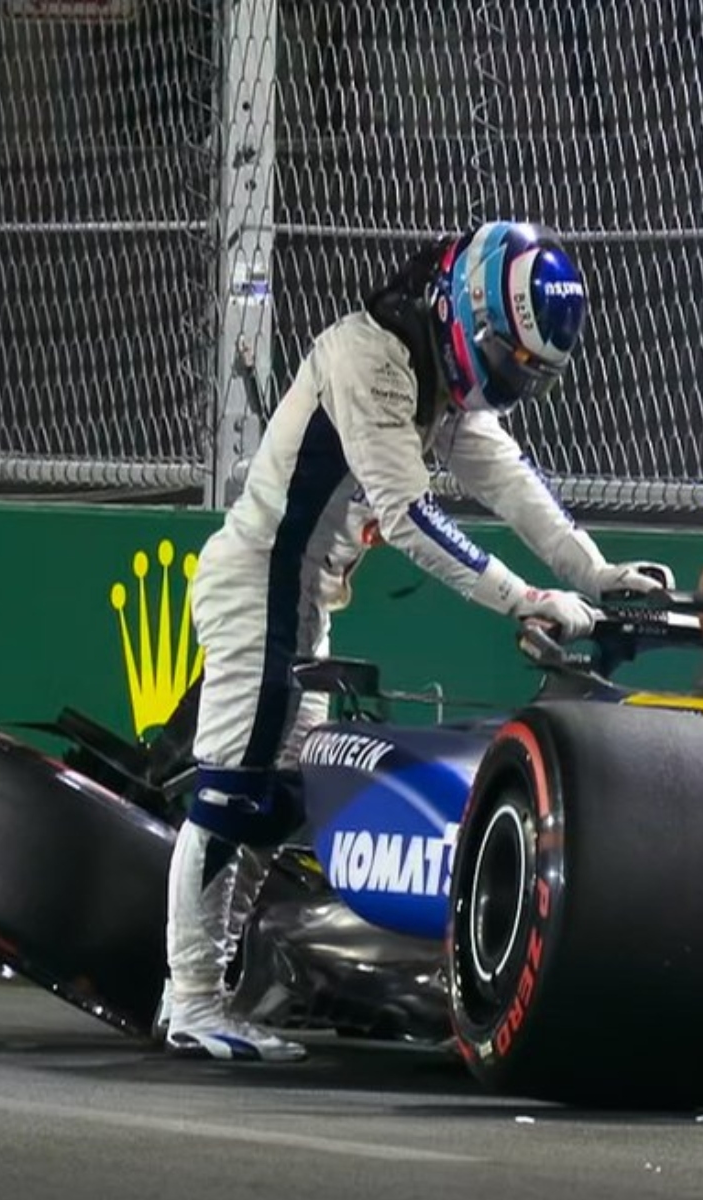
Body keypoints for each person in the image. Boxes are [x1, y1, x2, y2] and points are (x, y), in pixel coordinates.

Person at [163, 220, 659, 1061]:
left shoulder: (437, 376)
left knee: (277, 803)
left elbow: (510, 480)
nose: (507, 382)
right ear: (467, 313)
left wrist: (596, 572)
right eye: (506, 360)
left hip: (301, 600)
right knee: (233, 797)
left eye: (527, 373)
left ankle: (207, 992)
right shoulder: (369, 359)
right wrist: (526, 598)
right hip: (259, 586)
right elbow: (409, 517)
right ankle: (193, 1001)